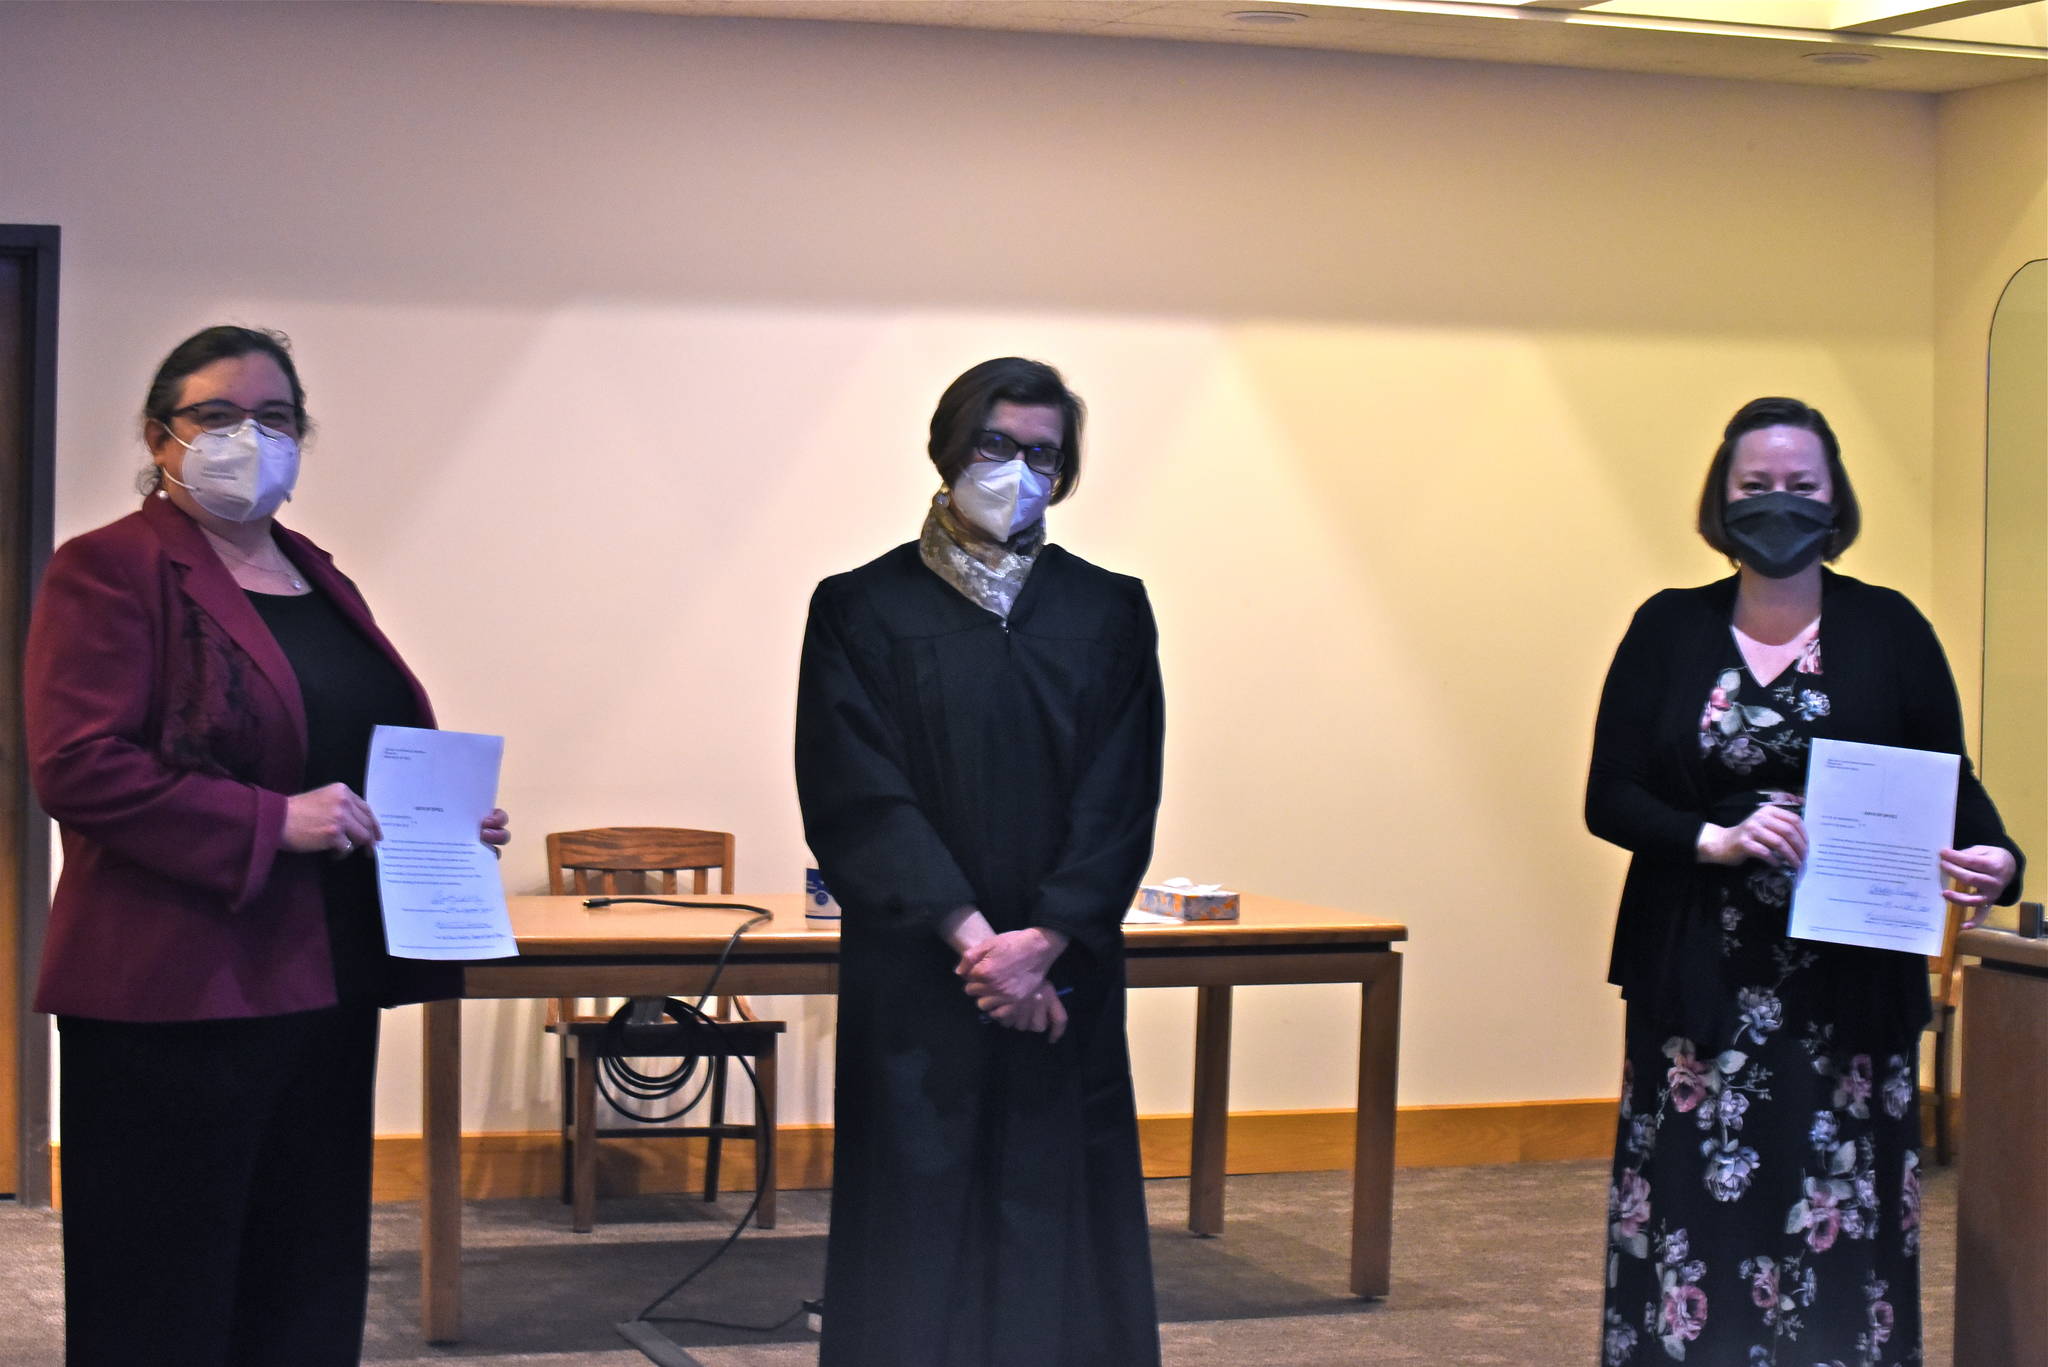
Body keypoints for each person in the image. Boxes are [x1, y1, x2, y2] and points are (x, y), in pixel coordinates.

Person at [25, 326, 510, 1367]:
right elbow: (77, 764)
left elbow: (345, 751)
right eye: (216, 414)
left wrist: (438, 823)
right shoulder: (106, 568)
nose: (249, 435)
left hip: (320, 977)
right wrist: (267, 818)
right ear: (160, 437)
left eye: (275, 417)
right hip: (174, 990)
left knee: (305, 1271)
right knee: (165, 1285)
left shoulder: (314, 571)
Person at [1585, 396, 2024, 1366]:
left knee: (1837, 1197)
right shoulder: (1667, 627)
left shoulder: (1888, 627)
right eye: (1755, 487)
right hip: (1698, 976)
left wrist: (1995, 859)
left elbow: (1948, 786)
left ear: (1833, 501)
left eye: (1799, 487)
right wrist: (1712, 836)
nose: (1775, 504)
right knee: (1695, 1203)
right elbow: (1608, 795)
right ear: (1720, 497)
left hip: (1845, 981)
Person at [795, 357, 1164, 1367]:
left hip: (1063, 976)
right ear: (950, 448)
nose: (1015, 468)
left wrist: (1042, 942)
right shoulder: (859, 608)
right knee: (916, 1217)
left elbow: (1121, 792)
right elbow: (854, 790)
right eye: (996, 444)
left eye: (1041, 452)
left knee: (1058, 1208)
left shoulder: (1108, 610)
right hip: (921, 971)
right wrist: (975, 943)